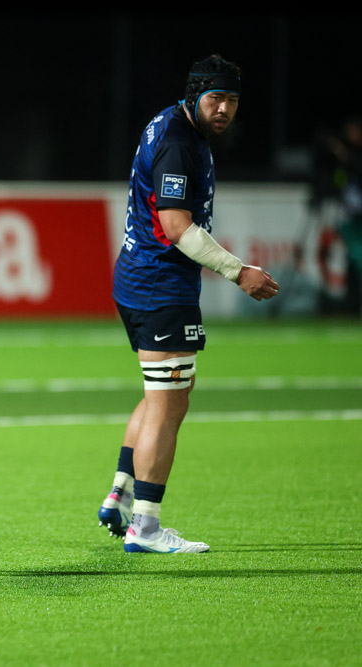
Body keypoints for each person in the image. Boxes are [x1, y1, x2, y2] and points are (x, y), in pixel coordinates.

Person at [96, 55, 280, 553]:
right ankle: (146, 526)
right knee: (168, 401)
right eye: (215, 98)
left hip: (139, 278)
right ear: (195, 94)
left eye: (232, 101)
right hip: (160, 286)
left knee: (168, 391)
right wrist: (239, 271)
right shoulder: (179, 142)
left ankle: (120, 496)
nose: (223, 109)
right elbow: (177, 228)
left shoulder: (172, 121)